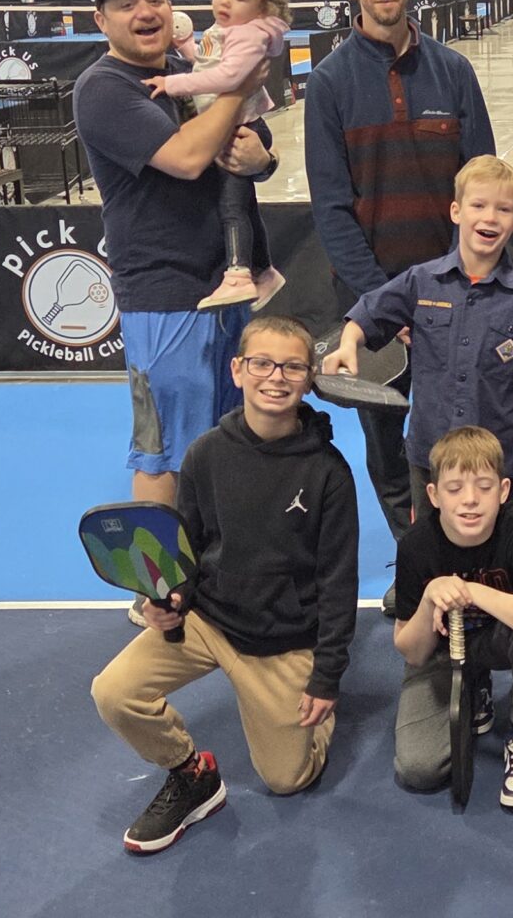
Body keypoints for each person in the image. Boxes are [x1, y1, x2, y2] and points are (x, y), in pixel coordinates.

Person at [89, 313, 359, 853]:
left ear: (308, 380)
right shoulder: (205, 453)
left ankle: (307, 720)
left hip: (282, 640)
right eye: (262, 363)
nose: (276, 377)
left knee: (287, 779)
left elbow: (338, 581)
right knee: (114, 693)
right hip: (209, 621)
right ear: (237, 370)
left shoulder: (329, 472)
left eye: (292, 367)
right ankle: (192, 775)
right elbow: (186, 549)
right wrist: (168, 601)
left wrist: (326, 677)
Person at [71, 0, 277, 614]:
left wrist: (262, 158)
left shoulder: (189, 74)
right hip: (163, 299)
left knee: (226, 439)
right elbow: (189, 158)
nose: (145, 11)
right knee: (163, 453)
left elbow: (241, 154)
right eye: (126, 2)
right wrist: (241, 84)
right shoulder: (105, 89)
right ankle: (157, 593)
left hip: (225, 290)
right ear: (102, 20)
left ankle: (219, 575)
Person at [305, 0, 497, 557]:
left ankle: (470, 553)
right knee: (386, 442)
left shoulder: (454, 71)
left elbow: (482, 188)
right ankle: (415, 557)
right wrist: (389, 305)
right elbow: (332, 208)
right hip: (373, 309)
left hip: (457, 297)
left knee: (465, 438)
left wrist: (450, 286)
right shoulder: (329, 83)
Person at [324, 155, 513, 544]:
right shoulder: (421, 281)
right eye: (478, 205)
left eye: (503, 209)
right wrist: (348, 344)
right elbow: (369, 313)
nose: (490, 217)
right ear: (456, 211)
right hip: (430, 455)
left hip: (503, 460)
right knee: (429, 554)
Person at [389, 426, 513, 810]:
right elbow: (412, 652)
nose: (470, 500)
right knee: (419, 769)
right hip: (442, 650)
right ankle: (475, 685)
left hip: (499, 638)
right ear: (434, 495)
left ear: (503, 491)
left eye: (483, 487)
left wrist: (471, 592)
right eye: (454, 489)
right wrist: (429, 600)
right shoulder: (416, 545)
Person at [152, 0, 290, 310]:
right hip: (235, 126)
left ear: (262, 8)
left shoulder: (247, 35)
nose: (224, 0)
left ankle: (239, 273)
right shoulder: (229, 28)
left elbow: (227, 77)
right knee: (245, 205)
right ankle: (264, 270)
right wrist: (187, 48)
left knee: (231, 209)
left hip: (242, 130)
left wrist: (172, 84)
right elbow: (209, 64)